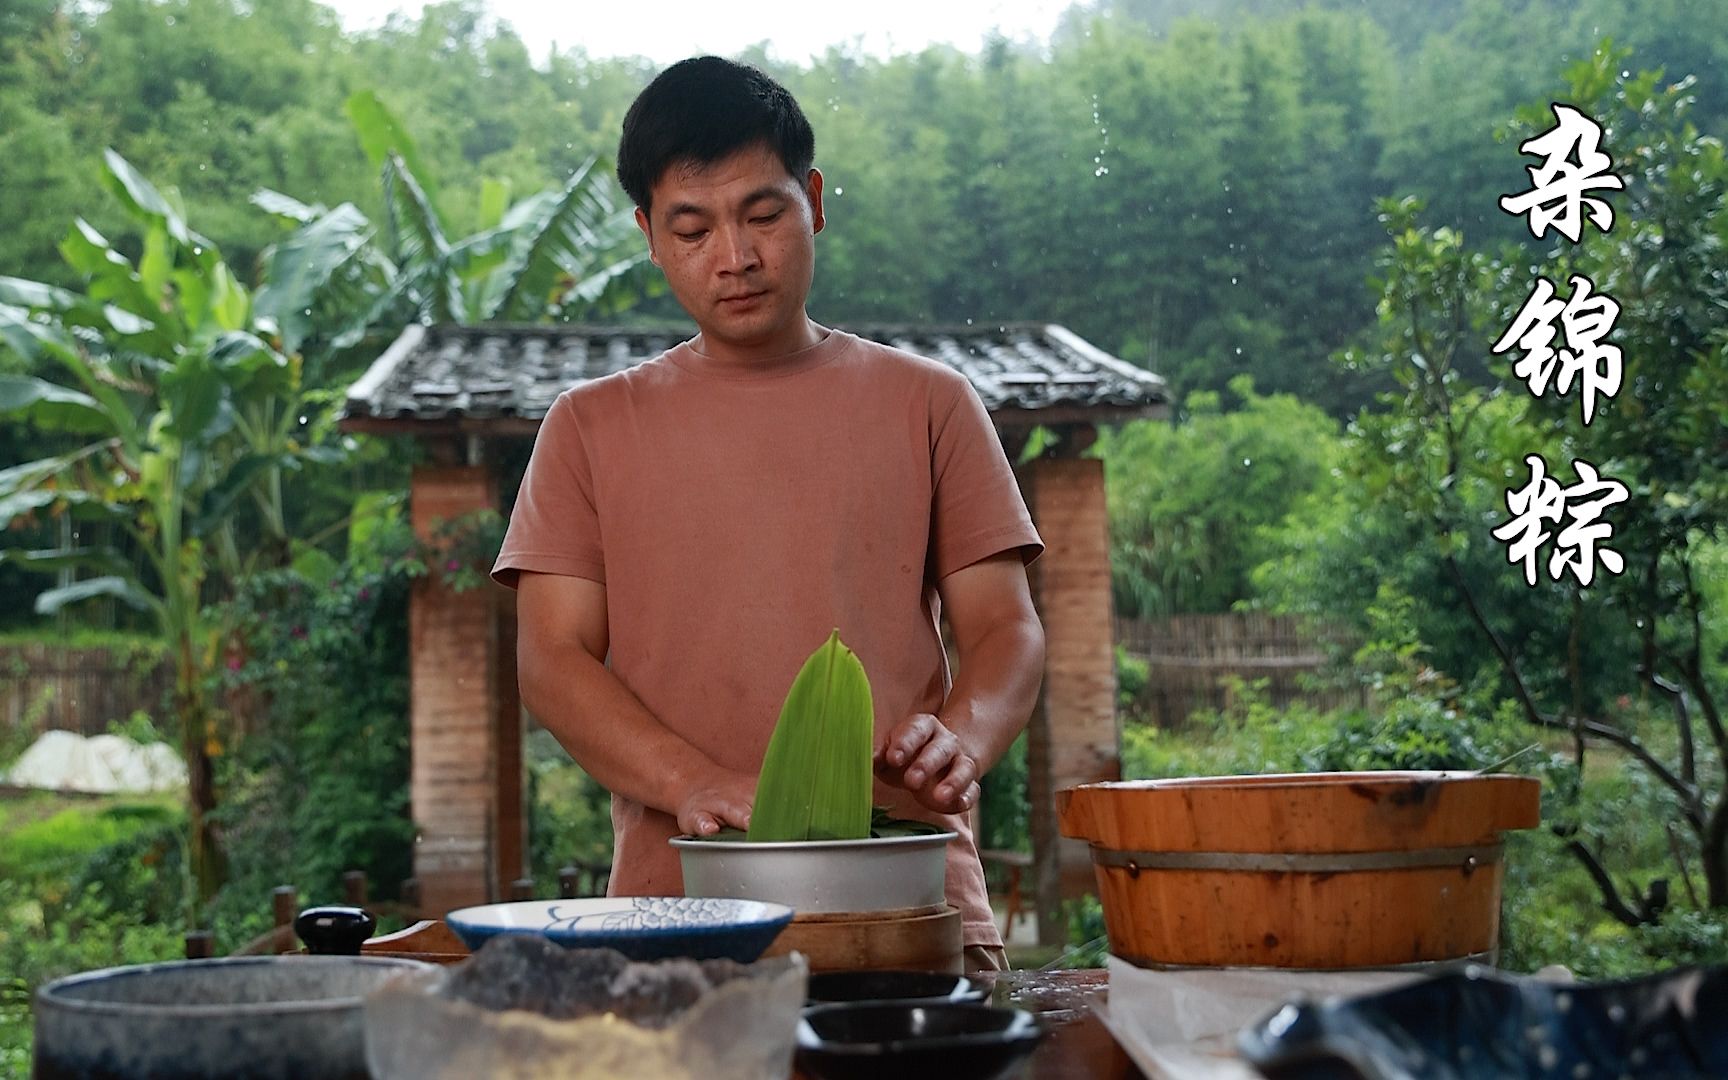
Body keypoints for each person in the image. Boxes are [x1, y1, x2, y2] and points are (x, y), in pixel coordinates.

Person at [491, 55, 1045, 972]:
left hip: (907, 907)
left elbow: (1005, 629)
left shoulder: (931, 403)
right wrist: (692, 782)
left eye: (763, 214)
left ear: (814, 200)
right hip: (677, 923)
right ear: (649, 236)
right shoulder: (589, 427)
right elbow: (550, 662)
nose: (735, 257)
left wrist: (964, 737)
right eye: (693, 227)